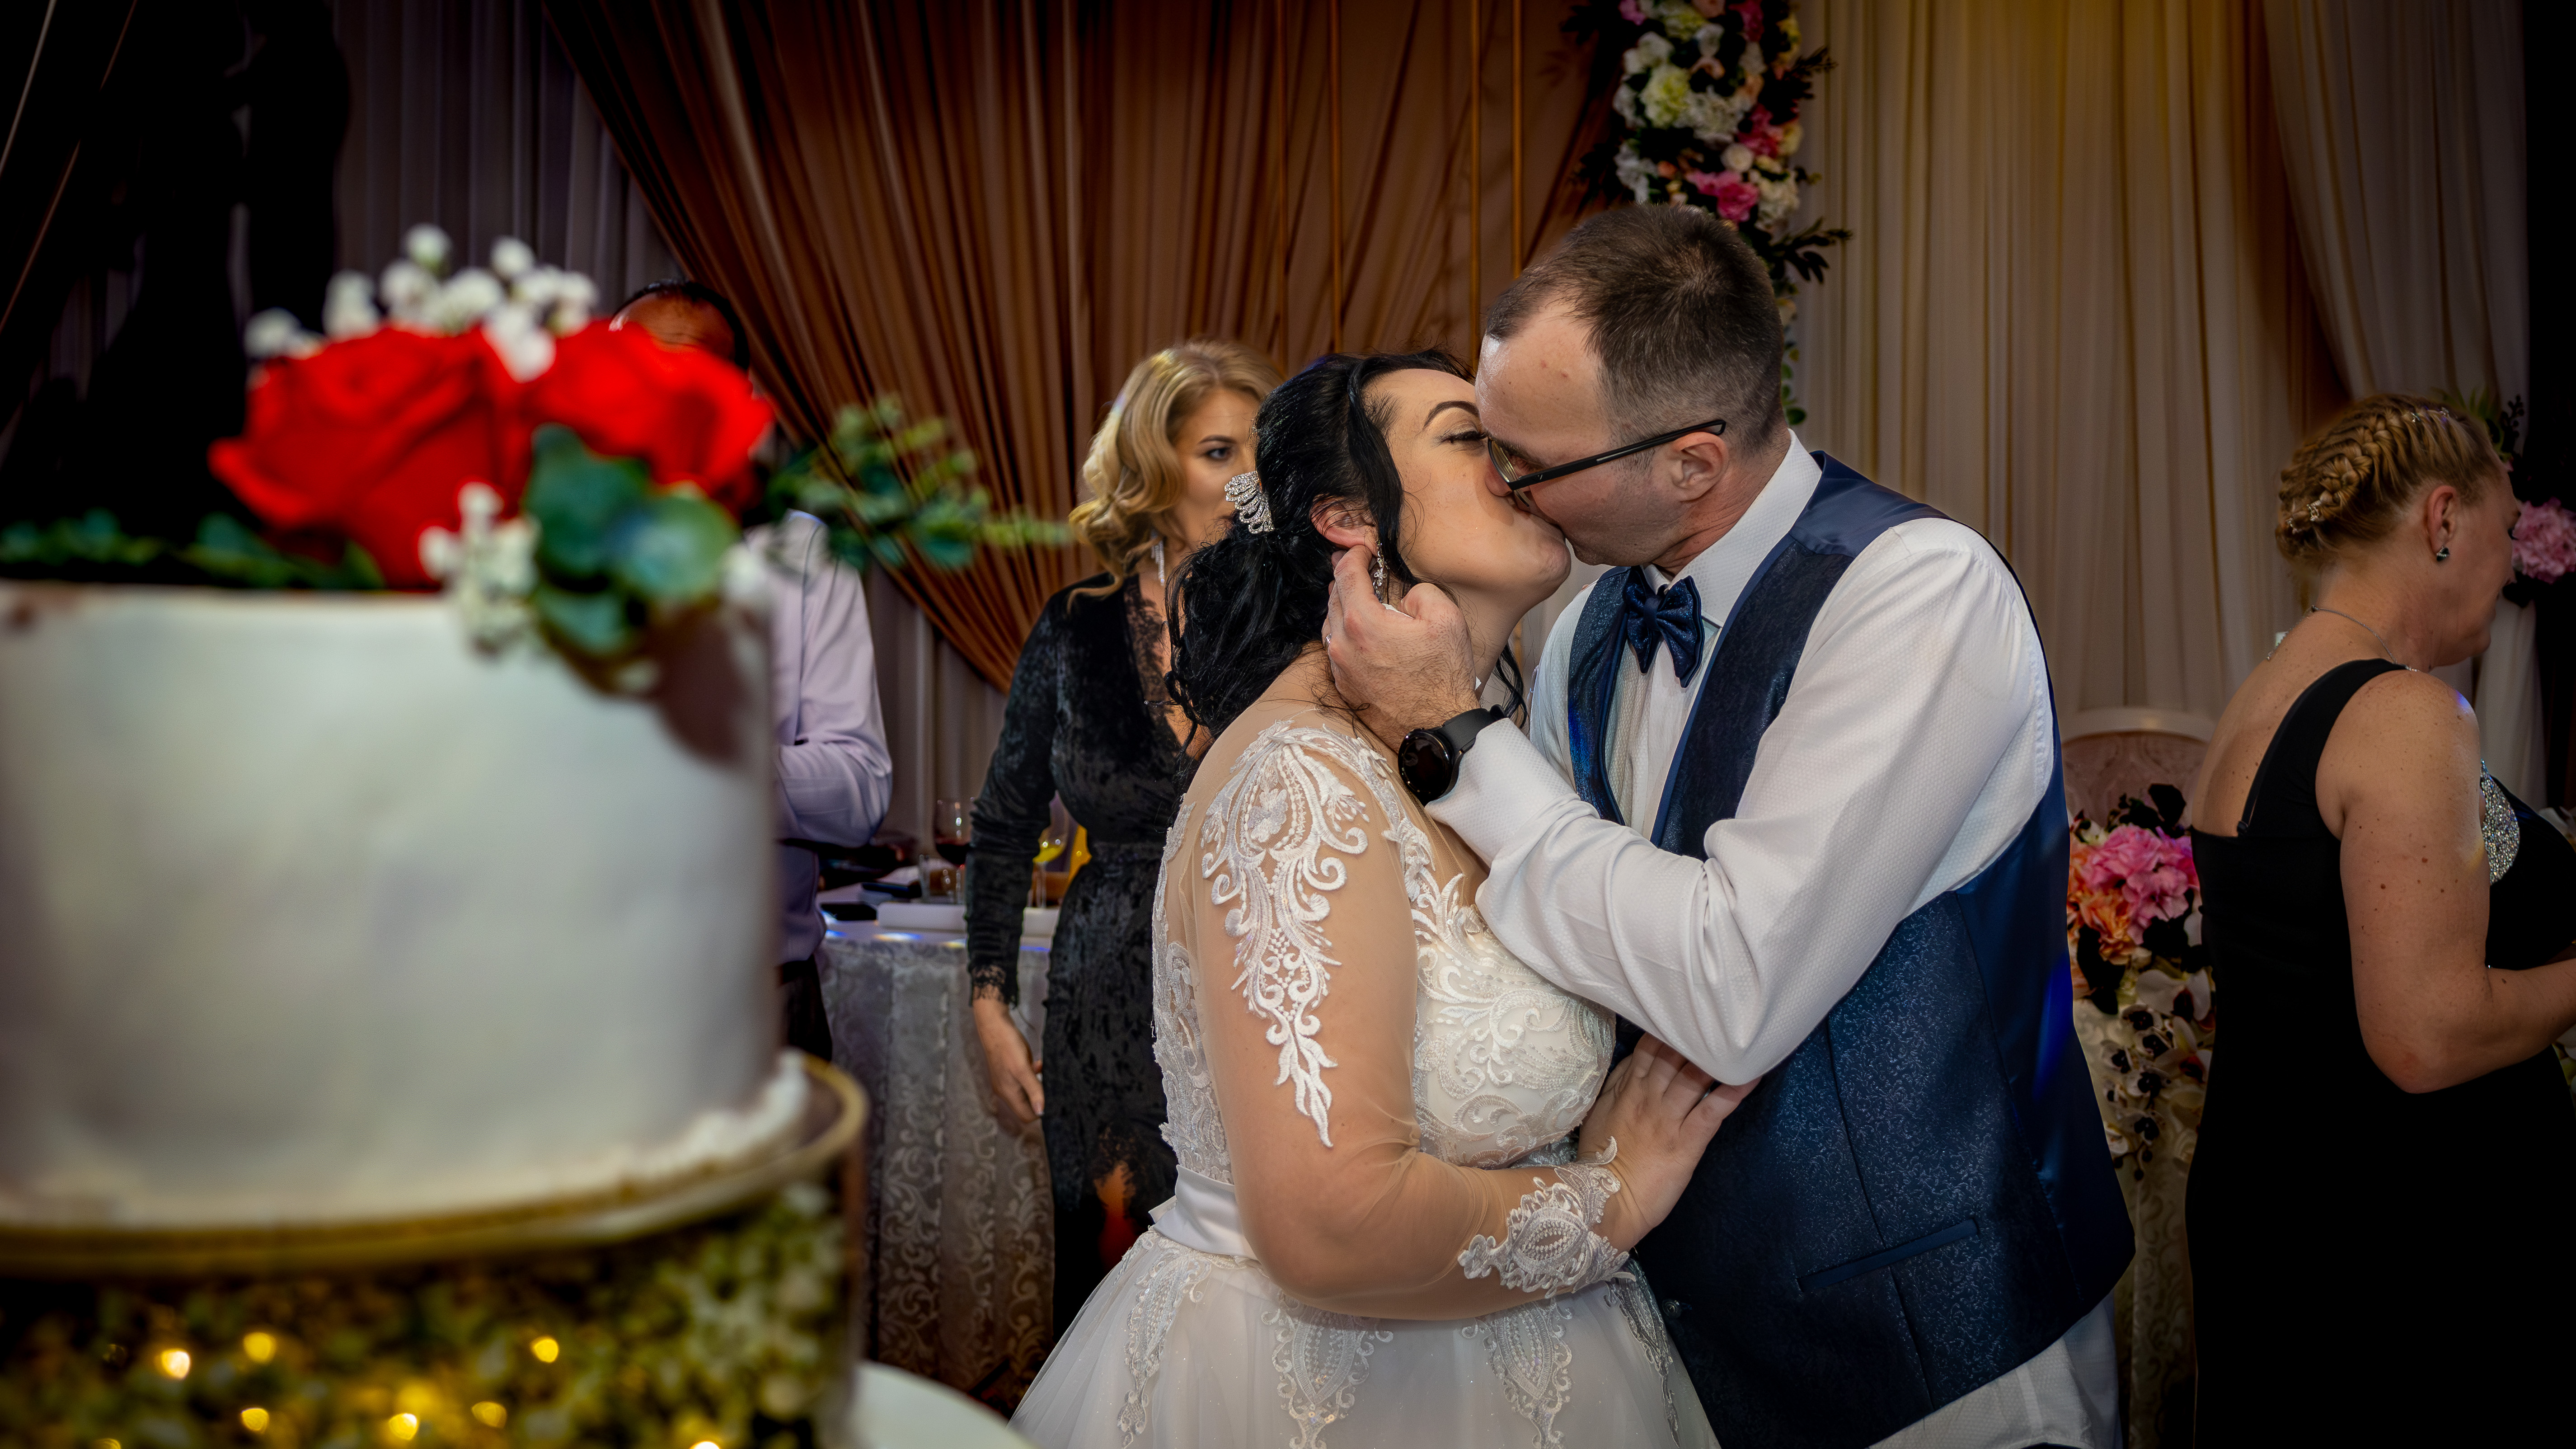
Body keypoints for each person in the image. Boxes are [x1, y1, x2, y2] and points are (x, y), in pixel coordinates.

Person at [1319, 207, 2133, 1447]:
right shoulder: (1587, 625)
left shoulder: (1916, 592)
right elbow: (1557, 929)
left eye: (1525, 463)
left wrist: (1459, 740)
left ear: (1692, 463)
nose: (1498, 484)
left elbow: (1731, 988)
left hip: (1938, 1347)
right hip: (1686, 1338)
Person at [1011, 350, 1744, 1449]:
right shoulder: (1302, 782)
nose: (1517, 465)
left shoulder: (1484, 762)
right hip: (1311, 1389)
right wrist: (1614, 1198)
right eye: (1469, 437)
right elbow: (1332, 1224)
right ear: (1348, 518)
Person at [2183, 395, 2576, 1443]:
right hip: (2404, 1234)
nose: (2507, 567)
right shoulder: (2404, 712)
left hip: (2272, 1198)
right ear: (2443, 518)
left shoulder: (2260, 696)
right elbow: (2425, 1037)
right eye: (2502, 532)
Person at [967, 339, 1280, 1334]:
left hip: (1264, 983)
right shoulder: (1075, 627)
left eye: (1262, 452)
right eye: (1219, 452)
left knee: (1255, 1292)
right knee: (1107, 1281)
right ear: (1152, 468)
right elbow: (1005, 823)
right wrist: (987, 1001)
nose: (1248, 479)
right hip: (1104, 998)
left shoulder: (1304, 629)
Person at [611, 282, 892, 1061]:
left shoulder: (802, 556)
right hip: (565, 995)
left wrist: (706, 760)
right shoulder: (527, 543)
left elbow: (861, 788)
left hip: (755, 1001)